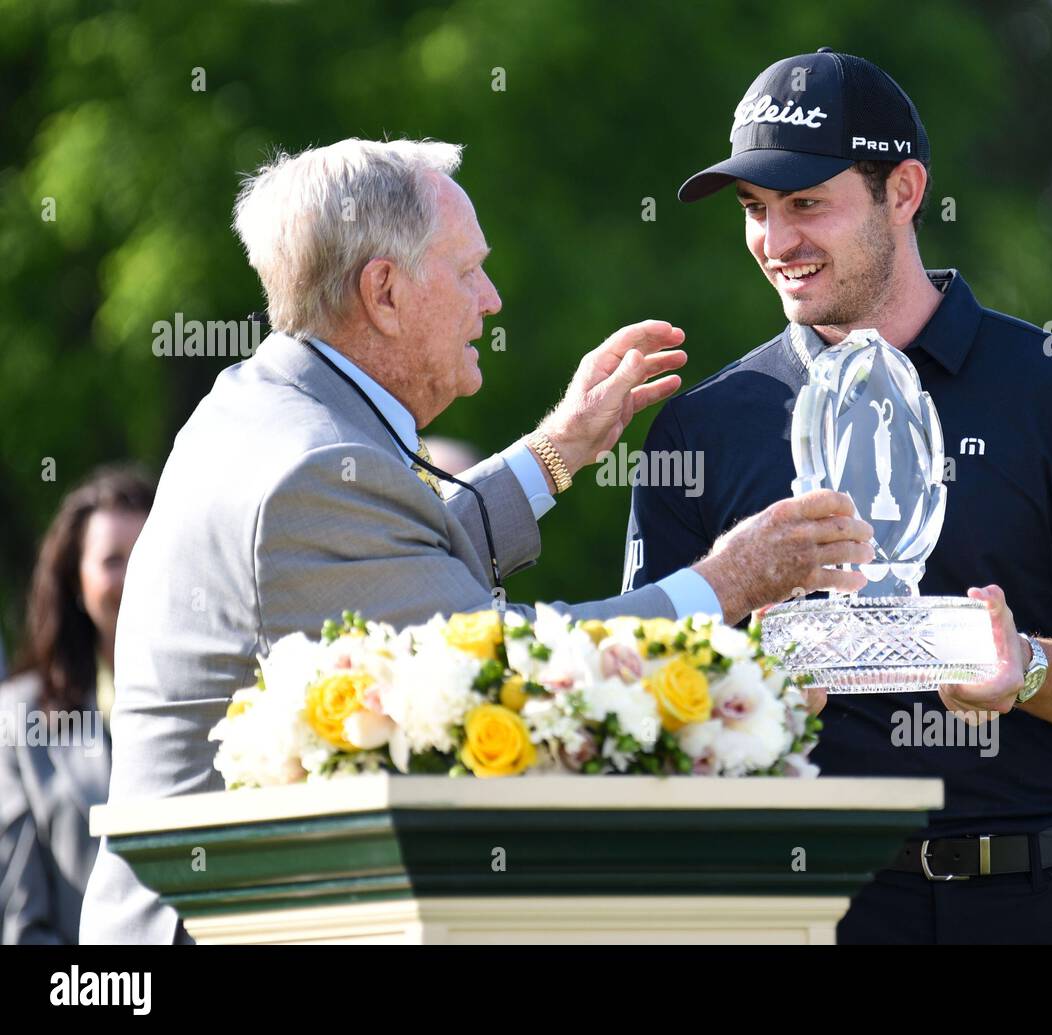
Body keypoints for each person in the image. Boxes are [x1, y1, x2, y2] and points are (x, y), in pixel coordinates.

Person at [80, 138, 874, 945]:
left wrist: (557, 449)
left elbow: (401, 562)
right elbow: (499, 665)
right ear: (383, 292)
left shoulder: (262, 405)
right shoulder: (313, 471)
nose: (490, 301)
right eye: (467, 273)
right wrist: (732, 579)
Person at [625, 49, 1052, 943]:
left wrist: (1027, 669)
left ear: (905, 188)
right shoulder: (700, 426)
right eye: (755, 211)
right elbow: (652, 699)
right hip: (805, 907)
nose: (776, 242)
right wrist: (758, 691)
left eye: (808, 203)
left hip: (1039, 900)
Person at [0, 465, 154, 943]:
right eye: (112, 560)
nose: (134, 577)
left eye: (147, 555)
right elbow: (20, 922)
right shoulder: (17, 720)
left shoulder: (232, 701)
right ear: (75, 582)